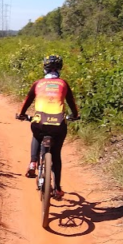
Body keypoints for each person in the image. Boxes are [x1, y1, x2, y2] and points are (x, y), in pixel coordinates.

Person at [15, 54, 79, 200]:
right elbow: (72, 104)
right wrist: (75, 115)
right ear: (60, 68)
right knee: (56, 155)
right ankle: (57, 188)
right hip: (58, 125)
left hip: (39, 123)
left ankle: (32, 163)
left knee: (36, 133)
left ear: (44, 68)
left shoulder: (38, 83)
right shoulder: (63, 84)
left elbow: (27, 101)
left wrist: (21, 114)